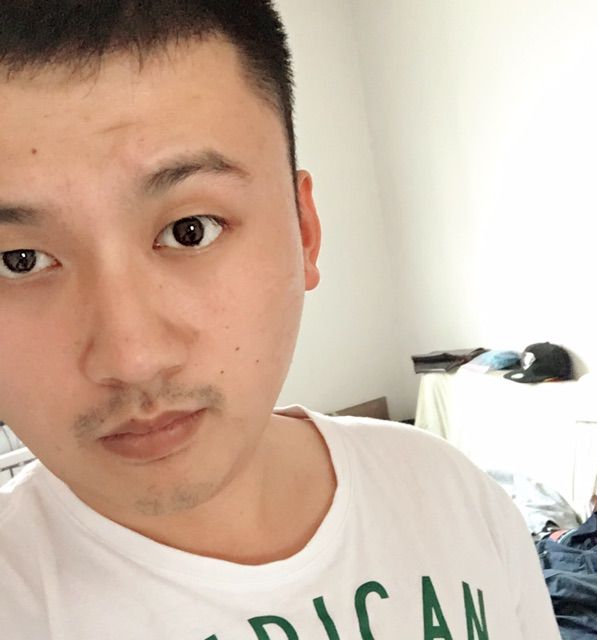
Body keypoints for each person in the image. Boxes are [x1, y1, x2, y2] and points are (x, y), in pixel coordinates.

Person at [0, 2, 561, 638]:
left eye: (191, 230)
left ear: (305, 232)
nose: (133, 358)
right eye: (19, 260)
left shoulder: (451, 494)